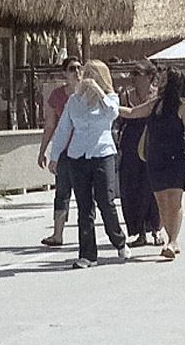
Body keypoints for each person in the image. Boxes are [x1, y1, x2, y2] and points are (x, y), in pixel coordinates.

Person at [48, 60, 129, 268]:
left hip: (102, 154)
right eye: (86, 74)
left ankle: (119, 240)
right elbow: (63, 128)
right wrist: (54, 155)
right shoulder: (74, 100)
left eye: (92, 74)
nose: (86, 77)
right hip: (78, 156)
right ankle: (87, 255)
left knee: (106, 202)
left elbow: (113, 113)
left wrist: (99, 93)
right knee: (84, 207)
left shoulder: (110, 98)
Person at [120, 67, 185, 260]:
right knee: (162, 203)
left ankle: (172, 241)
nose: (159, 84)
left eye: (163, 80)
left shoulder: (184, 108)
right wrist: (106, 104)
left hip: (177, 159)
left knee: (175, 201)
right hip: (155, 158)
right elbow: (131, 113)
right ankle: (171, 239)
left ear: (173, 83)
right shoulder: (155, 105)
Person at [36, 56, 82, 246]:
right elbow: (50, 125)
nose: (77, 72)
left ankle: (86, 235)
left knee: (85, 194)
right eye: (72, 69)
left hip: (84, 150)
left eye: (80, 68)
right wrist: (43, 151)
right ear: (65, 73)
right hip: (64, 151)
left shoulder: (89, 93)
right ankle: (58, 234)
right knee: (62, 192)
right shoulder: (57, 96)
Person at [117, 61, 162, 247]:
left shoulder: (158, 96)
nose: (133, 77)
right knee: (132, 189)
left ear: (149, 76)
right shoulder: (125, 96)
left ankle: (156, 231)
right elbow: (117, 122)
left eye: (137, 73)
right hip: (130, 147)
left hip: (154, 146)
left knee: (153, 189)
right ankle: (140, 232)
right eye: (132, 73)